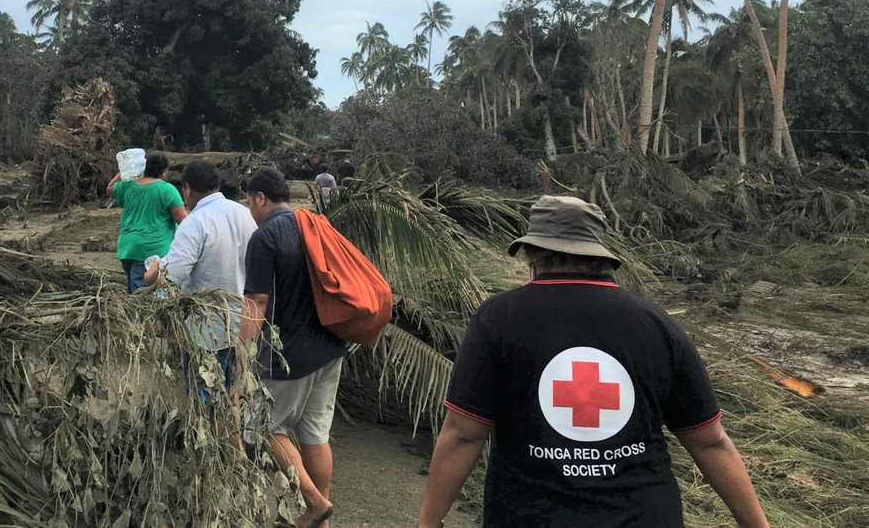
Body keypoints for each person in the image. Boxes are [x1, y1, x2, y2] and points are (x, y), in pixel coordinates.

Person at [417, 195, 768, 528]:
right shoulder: (656, 324)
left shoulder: (498, 318)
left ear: (533, 255)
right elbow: (710, 442)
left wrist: (429, 522)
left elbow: (463, 435)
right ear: (600, 255)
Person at [241, 167, 346, 528]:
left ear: (260, 198)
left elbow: (256, 301)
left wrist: (243, 359)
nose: (250, 210)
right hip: (329, 347)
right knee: (315, 435)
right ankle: (322, 521)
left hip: (289, 355)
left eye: (249, 202)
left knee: (264, 427)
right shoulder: (313, 224)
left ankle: (314, 504)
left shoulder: (265, 236)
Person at [144, 159, 258, 397]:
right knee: (236, 393)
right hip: (245, 324)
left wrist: (152, 272)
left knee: (205, 396)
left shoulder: (195, 222)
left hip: (207, 329)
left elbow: (172, 274)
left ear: (187, 189)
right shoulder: (245, 214)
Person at [107, 151, 187, 293]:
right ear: (164, 171)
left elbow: (109, 189)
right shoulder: (167, 190)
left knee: (133, 290)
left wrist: (125, 170)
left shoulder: (127, 185)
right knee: (143, 295)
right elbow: (183, 220)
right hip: (151, 250)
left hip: (127, 247)